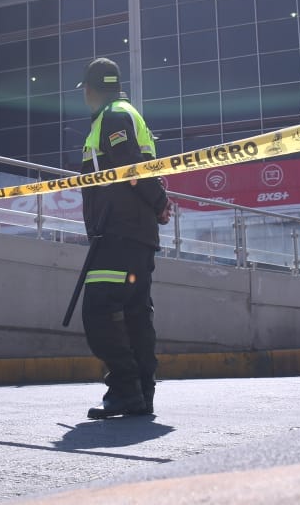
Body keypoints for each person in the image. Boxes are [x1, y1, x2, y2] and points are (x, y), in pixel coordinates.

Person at [76, 57, 172, 420]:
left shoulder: (113, 117)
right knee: (135, 315)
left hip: (118, 232)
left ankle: (125, 388)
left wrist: (159, 202)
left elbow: (128, 167)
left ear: (90, 90)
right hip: (134, 233)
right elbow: (138, 167)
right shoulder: (126, 114)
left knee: (98, 311)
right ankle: (141, 394)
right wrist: (158, 203)